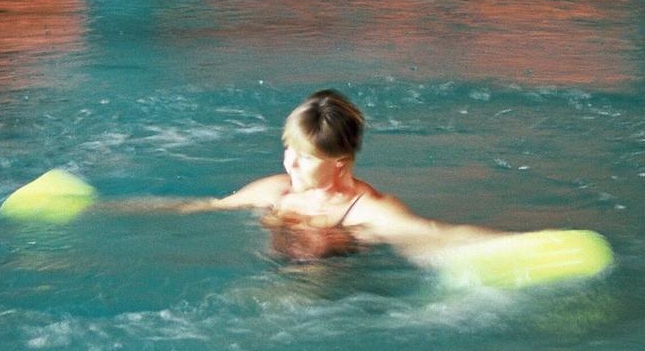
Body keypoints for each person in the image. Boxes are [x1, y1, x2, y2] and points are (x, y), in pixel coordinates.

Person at [141, 89, 508, 264]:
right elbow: (203, 206)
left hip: (326, 303)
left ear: (340, 161)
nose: (290, 163)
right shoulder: (276, 190)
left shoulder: (367, 210)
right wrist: (117, 208)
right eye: (288, 148)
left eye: (305, 157)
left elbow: (433, 234)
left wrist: (514, 247)